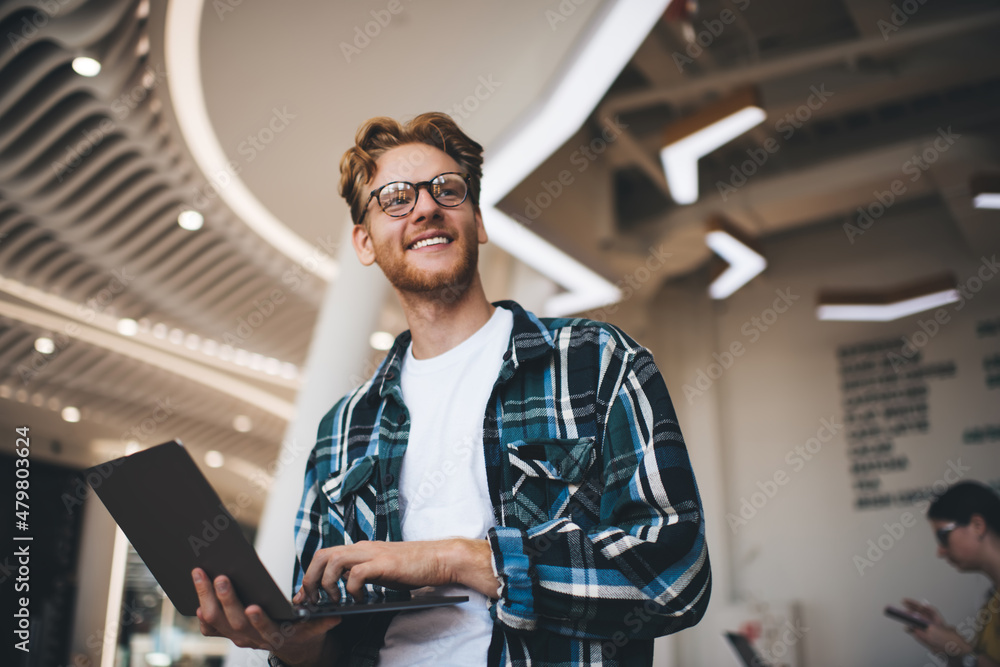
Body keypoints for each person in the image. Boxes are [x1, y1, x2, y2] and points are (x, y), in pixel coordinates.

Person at [191, 112, 711, 666]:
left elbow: (675, 578)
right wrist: (295, 646)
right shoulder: (340, 432)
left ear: (478, 221)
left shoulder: (597, 361)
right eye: (395, 197)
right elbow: (327, 642)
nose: (425, 207)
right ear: (365, 242)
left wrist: (460, 560)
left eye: (447, 189)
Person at [901, 481, 1000, 667]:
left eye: (943, 536)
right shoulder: (991, 603)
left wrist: (963, 649)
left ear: (978, 525)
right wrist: (950, 650)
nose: (940, 551)